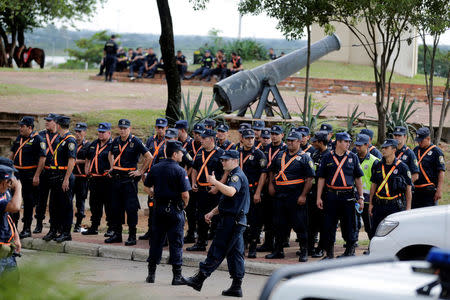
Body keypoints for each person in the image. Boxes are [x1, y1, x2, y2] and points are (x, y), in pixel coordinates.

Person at [184, 150, 250, 298]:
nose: (223, 162)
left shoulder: (236, 176)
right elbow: (227, 202)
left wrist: (215, 182)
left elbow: (231, 192)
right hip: (234, 220)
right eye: (222, 160)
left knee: (217, 248)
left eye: (226, 160)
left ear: (235, 161)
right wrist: (212, 212)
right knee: (235, 253)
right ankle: (236, 286)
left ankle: (199, 279)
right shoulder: (233, 175)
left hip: (232, 221)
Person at [144, 140, 191, 285]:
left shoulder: (156, 167)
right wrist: (183, 206)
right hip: (174, 210)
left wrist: (152, 193)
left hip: (158, 210)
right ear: (175, 154)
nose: (183, 155)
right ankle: (177, 277)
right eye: (181, 152)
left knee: (156, 242)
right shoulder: (180, 170)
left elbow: (146, 185)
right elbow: (185, 194)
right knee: (176, 242)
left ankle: (151, 275)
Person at [266, 131, 315, 262]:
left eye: (293, 140)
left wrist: (303, 195)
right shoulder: (280, 155)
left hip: (296, 195)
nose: (290, 143)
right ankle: (278, 250)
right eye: (288, 140)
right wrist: (271, 185)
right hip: (280, 195)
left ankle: (304, 251)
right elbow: (271, 171)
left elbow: (310, 179)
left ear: (299, 142)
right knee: (278, 224)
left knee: (300, 224)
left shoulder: (305, 158)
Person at [316, 132, 364, 259]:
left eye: (349, 142)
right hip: (331, 196)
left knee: (349, 225)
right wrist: (318, 197)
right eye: (345, 141)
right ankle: (329, 254)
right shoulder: (327, 157)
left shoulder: (353, 157)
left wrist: (361, 197)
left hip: (348, 196)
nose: (348, 144)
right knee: (329, 226)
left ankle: (349, 252)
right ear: (338, 142)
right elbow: (321, 178)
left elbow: (358, 179)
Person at [106, 119, 152, 245]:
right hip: (116, 179)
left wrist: (141, 171)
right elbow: (110, 153)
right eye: (120, 128)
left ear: (129, 129)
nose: (122, 130)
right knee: (116, 208)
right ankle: (117, 234)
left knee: (131, 208)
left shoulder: (135, 141)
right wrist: (112, 166)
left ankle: (132, 235)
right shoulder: (116, 141)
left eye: (125, 128)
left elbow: (149, 156)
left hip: (129, 180)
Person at [187, 129, 225, 251]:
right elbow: (194, 168)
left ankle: (218, 245)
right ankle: (201, 243)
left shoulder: (221, 154)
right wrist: (193, 183)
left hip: (215, 190)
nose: (201, 140)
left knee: (217, 218)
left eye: (204, 138)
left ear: (212, 139)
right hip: (201, 190)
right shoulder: (199, 152)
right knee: (201, 216)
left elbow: (226, 172)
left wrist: (218, 187)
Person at [9, 116, 45, 238]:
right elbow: (13, 154)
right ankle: (13, 227)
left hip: (29, 174)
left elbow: (42, 158)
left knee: (28, 202)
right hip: (17, 174)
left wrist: (37, 175)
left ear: (30, 127)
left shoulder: (37, 140)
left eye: (22, 126)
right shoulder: (19, 138)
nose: (20, 128)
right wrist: (9, 170)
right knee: (14, 200)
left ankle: (26, 229)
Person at [42, 115, 77, 243]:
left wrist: (66, 179)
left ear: (58, 125)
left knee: (66, 206)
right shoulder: (60, 139)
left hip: (64, 176)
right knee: (53, 205)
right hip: (55, 176)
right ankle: (53, 230)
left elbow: (71, 161)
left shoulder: (70, 140)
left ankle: (66, 232)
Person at [369, 139, 412, 238]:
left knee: (395, 233)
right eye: (382, 148)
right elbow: (373, 185)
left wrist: (408, 208)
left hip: (394, 205)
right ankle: (374, 251)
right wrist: (371, 203)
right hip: (379, 204)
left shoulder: (402, 167)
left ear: (393, 150)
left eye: (386, 148)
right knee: (375, 231)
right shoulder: (377, 165)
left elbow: (408, 189)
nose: (383, 150)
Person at [256, 125, 286, 253]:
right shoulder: (266, 148)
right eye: (272, 134)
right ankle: (267, 243)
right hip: (265, 186)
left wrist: (272, 183)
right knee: (266, 216)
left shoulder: (285, 149)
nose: (273, 136)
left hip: (279, 186)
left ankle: (279, 244)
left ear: (282, 135)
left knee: (279, 218)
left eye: (276, 134)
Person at [238, 129, 267, 259]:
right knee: (241, 218)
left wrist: (258, 192)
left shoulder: (259, 154)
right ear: (242, 139)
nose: (250, 140)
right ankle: (242, 245)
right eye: (247, 138)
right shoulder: (237, 153)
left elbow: (263, 174)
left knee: (254, 220)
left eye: (252, 138)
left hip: (252, 190)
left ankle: (253, 247)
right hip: (239, 191)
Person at [83, 123, 113, 236]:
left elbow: (114, 159)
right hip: (94, 179)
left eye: (103, 132)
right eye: (99, 131)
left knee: (109, 205)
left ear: (109, 133)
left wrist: (111, 170)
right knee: (94, 204)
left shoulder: (112, 144)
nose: (100, 134)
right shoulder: (94, 143)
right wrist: (87, 168)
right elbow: (88, 156)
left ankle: (111, 228)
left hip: (106, 180)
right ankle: (94, 227)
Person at [140, 118, 168, 240]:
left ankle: (162, 234)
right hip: (151, 176)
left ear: (166, 128)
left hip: (163, 177)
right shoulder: (151, 140)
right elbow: (145, 157)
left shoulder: (169, 140)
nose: (160, 130)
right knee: (151, 204)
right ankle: (150, 231)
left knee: (162, 206)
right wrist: (142, 172)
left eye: (162, 128)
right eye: (158, 127)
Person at [34, 113, 59, 234]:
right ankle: (39, 223)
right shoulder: (41, 135)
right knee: (41, 200)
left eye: (49, 121)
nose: (47, 122)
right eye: (46, 120)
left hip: (55, 172)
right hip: (43, 172)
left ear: (55, 122)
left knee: (55, 201)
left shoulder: (60, 135)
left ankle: (54, 225)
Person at [307, 131, 330, 258]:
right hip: (313, 191)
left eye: (315, 141)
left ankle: (321, 248)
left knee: (323, 223)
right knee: (311, 222)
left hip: (324, 193)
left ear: (321, 142)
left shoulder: (329, 156)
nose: (313, 143)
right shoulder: (315, 154)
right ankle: (310, 248)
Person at [354, 134, 379, 240]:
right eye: (356, 145)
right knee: (352, 225)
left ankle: (372, 247)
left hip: (368, 200)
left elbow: (377, 182)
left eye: (360, 145)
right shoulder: (352, 158)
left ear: (367, 145)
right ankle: (351, 247)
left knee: (369, 226)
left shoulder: (375, 161)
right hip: (353, 197)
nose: (357, 147)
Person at [413, 127, 445, 208]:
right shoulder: (416, 150)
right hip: (416, 191)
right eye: (418, 140)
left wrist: (439, 190)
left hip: (429, 191)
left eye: (421, 140)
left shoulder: (436, 151)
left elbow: (441, 171)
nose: (419, 142)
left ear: (428, 138)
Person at [182, 122, 204, 243]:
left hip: (202, 182)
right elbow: (186, 163)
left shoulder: (206, 146)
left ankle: (201, 235)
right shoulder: (188, 146)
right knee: (190, 210)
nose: (197, 136)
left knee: (201, 211)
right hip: (189, 182)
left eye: (200, 134)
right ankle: (191, 232)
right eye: (195, 133)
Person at [0, 165, 22, 275]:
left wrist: (16, 237)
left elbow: (8, 216)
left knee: (12, 286)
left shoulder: (4, 193)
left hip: (7, 248)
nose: (11, 184)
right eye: (9, 181)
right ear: (3, 182)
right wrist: (18, 188)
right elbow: (15, 207)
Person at [72, 122, 89, 233]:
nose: (77, 134)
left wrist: (75, 161)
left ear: (84, 132)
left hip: (82, 178)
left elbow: (88, 160)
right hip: (71, 176)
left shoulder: (88, 145)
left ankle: (78, 224)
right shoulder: (72, 143)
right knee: (67, 201)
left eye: (80, 131)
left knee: (80, 202)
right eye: (76, 131)